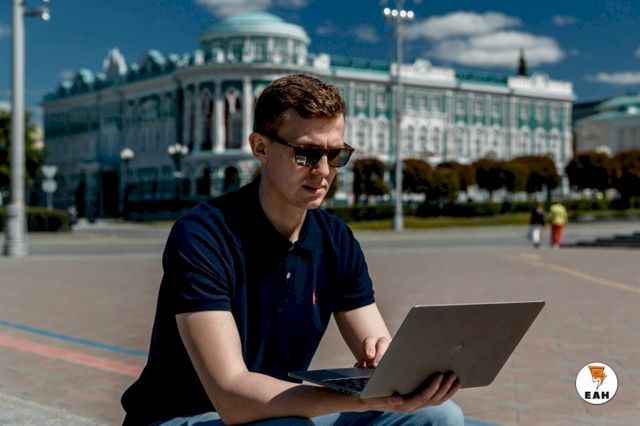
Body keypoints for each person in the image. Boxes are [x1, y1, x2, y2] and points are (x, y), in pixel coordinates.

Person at [121, 74, 464, 425]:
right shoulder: (203, 234)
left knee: (438, 416)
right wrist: (358, 400)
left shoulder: (335, 238)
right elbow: (231, 394)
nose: (323, 171)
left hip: (278, 409)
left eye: (336, 155)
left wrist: (394, 373)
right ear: (261, 148)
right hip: (184, 416)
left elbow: (375, 342)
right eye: (307, 154)